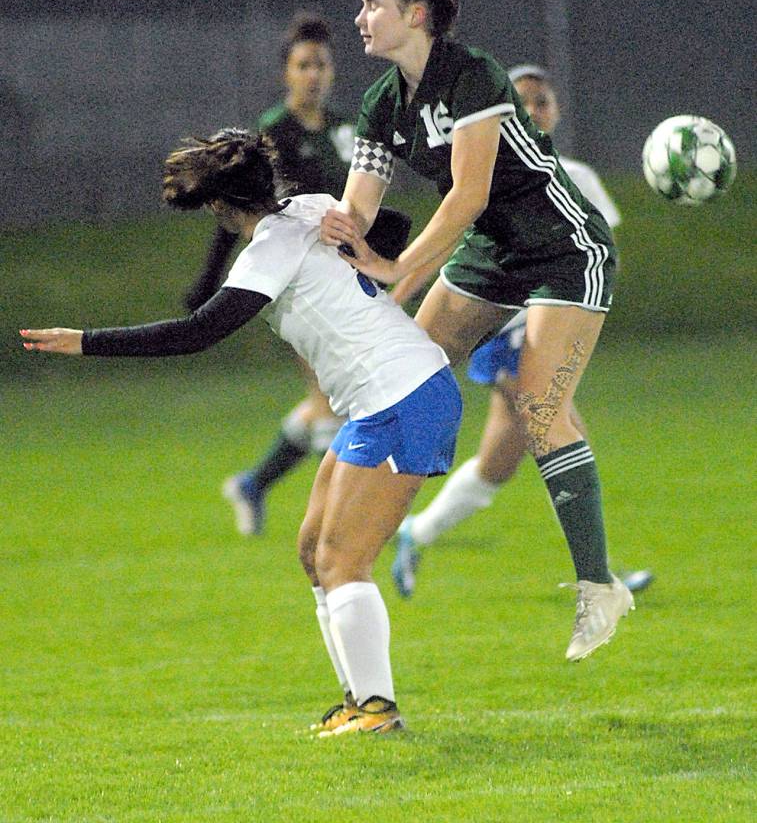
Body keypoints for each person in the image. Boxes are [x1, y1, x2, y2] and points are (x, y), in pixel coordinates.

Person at [299, 0, 634, 661]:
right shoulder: (380, 104)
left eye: (370, 4)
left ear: (413, 14)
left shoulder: (473, 77)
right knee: (402, 372)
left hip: (561, 247)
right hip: (488, 254)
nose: (358, 17)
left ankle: (601, 587)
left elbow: (468, 194)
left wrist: (399, 276)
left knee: (538, 400)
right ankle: (363, 534)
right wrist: (322, 237)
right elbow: (359, 216)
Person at [21, 127, 462, 736]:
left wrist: (84, 342)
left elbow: (194, 333)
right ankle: (356, 702)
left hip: (404, 394)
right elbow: (396, 220)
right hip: (380, 400)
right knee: (314, 552)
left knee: (342, 560)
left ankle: (378, 712)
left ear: (222, 207)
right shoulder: (310, 210)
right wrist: (365, 256)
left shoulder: (268, 250)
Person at [390, 64, 654, 598]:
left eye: (543, 101)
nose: (535, 111)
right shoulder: (489, 173)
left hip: (547, 331)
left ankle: (415, 533)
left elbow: (602, 260)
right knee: (557, 425)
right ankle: (598, 573)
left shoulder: (578, 177)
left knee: (497, 465)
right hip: (503, 331)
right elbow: (461, 244)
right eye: (523, 102)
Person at [183, 13, 355, 536]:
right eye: (303, 65)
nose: (314, 74)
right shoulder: (270, 135)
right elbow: (234, 214)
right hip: (292, 286)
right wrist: (209, 280)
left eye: (321, 64)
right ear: (287, 72)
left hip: (342, 281)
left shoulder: (345, 132)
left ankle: (254, 484)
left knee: (329, 401)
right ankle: (339, 529)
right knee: (332, 401)